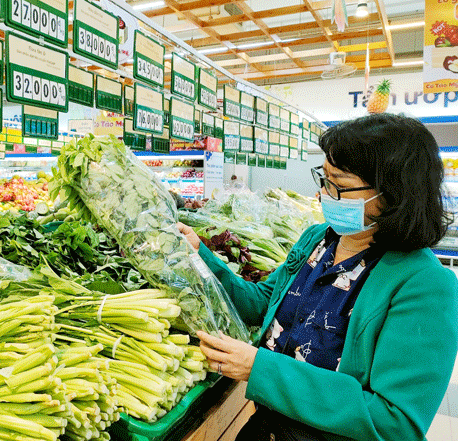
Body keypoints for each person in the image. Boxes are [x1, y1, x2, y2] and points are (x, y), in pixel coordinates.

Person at [177, 113, 458, 441]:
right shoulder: (318, 240)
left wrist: (261, 370)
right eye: (323, 180)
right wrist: (202, 257)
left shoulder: (424, 286)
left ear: (396, 192)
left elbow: (395, 422)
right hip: (265, 430)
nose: (324, 194)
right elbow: (263, 304)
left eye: (339, 185)